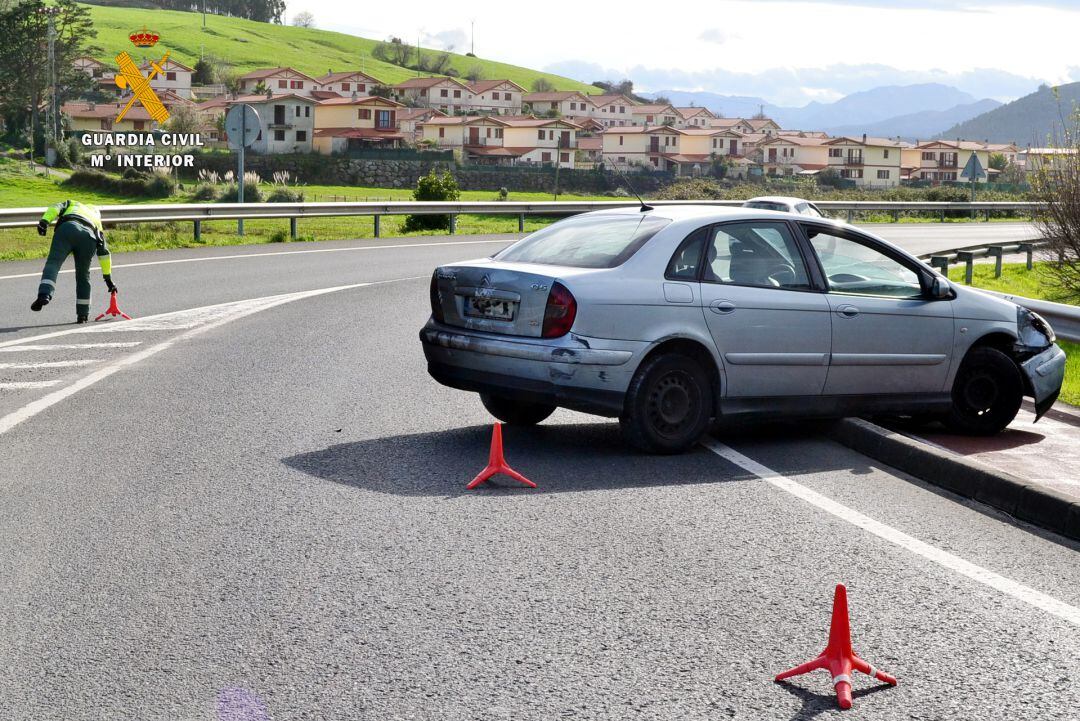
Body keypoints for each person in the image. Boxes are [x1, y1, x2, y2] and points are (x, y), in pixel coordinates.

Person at [31, 200, 117, 324]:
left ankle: (45, 294)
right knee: (83, 276)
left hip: (68, 228)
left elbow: (55, 208)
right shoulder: (96, 219)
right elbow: (104, 252)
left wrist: (44, 221)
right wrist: (108, 279)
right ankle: (83, 315)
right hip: (89, 238)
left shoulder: (73, 204)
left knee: (53, 264)